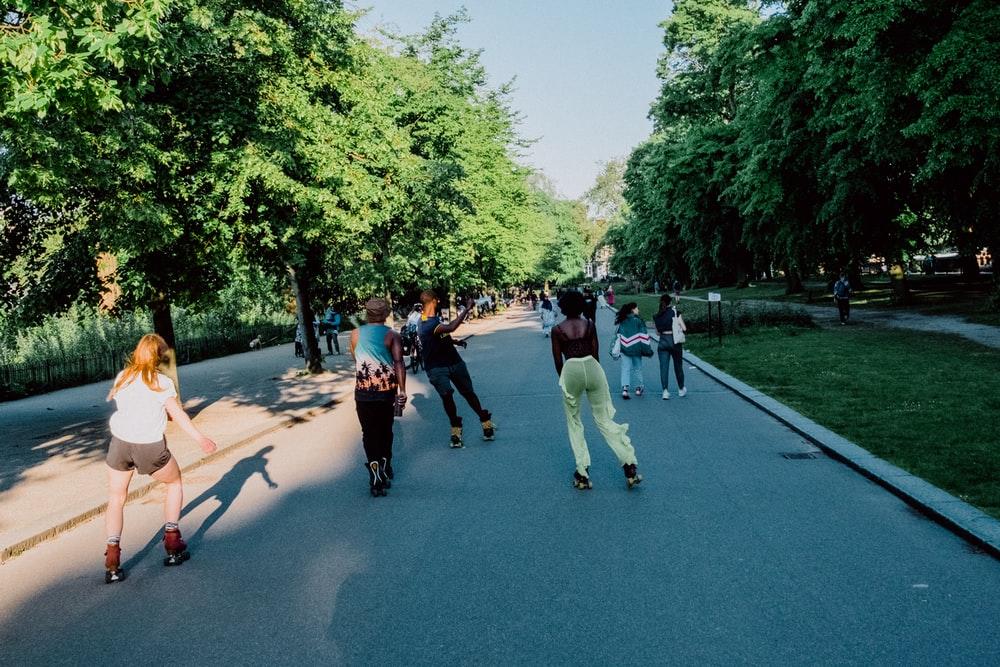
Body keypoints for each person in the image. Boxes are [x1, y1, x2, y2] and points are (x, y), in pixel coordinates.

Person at [103, 334, 218, 584]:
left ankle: (112, 557)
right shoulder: (161, 382)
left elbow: (119, 400)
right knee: (174, 482)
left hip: (120, 444)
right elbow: (177, 415)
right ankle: (172, 540)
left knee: (116, 497)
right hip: (149, 446)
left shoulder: (123, 377)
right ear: (159, 356)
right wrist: (200, 439)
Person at [552, 291, 642, 490]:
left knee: (574, 422)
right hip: (593, 368)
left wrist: (565, 381)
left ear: (564, 307)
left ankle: (582, 473)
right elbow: (595, 354)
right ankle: (629, 465)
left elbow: (558, 361)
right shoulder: (590, 325)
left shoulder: (558, 330)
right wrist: (596, 378)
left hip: (571, 370)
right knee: (603, 420)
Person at [418, 289, 495, 448]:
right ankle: (456, 430)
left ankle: (485, 421)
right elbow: (451, 327)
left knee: (468, 393)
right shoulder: (426, 323)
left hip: (454, 362)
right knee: (447, 396)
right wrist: (467, 309)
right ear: (435, 301)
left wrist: (455, 342)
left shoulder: (429, 319)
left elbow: (439, 335)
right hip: (437, 368)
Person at [350, 298, 407, 497]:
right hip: (385, 393)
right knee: (385, 432)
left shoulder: (355, 334)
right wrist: (402, 391)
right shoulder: (392, 335)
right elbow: (399, 363)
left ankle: (374, 473)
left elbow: (355, 358)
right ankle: (385, 465)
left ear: (367, 314)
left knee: (368, 433)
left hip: (363, 393)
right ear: (385, 314)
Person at [614, 302, 651, 399]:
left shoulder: (622, 320)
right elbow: (644, 335)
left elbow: (618, 335)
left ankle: (625, 389)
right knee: (637, 368)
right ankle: (638, 388)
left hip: (625, 348)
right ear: (632, 310)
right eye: (637, 308)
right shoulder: (638, 321)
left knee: (625, 368)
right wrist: (647, 350)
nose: (638, 310)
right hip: (636, 349)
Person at [653, 294, 687, 400]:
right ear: (670, 303)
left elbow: (657, 333)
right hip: (675, 342)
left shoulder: (656, 315)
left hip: (662, 342)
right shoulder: (675, 312)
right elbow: (684, 328)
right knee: (678, 366)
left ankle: (665, 391)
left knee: (664, 368)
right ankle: (681, 389)